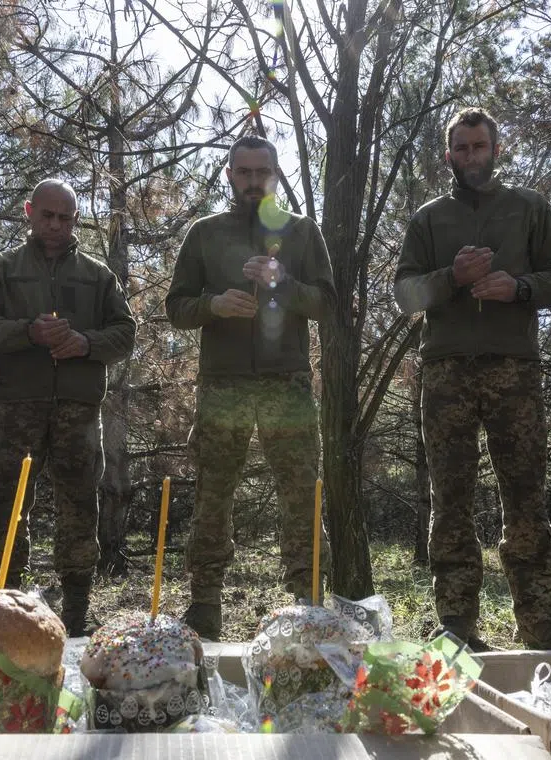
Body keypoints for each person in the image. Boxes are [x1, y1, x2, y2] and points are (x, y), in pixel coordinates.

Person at [394, 107, 551, 651]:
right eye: (461, 148)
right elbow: (404, 293)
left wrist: (518, 288)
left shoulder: (529, 207)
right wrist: (452, 277)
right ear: (448, 155)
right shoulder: (429, 218)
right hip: (446, 371)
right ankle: (457, 624)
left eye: (479, 146)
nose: (471, 156)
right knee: (450, 498)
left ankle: (541, 623)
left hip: (513, 368)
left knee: (525, 495)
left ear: (496, 150)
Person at [165, 134, 336, 641]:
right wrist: (213, 305)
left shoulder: (302, 231)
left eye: (263, 172)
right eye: (244, 172)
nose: (254, 181)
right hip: (224, 384)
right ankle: (204, 604)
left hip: (288, 384)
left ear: (276, 175)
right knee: (213, 493)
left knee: (302, 493)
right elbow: (177, 307)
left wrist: (283, 282)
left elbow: (327, 304)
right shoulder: (204, 233)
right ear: (230, 175)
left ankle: (308, 603)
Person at [0, 179, 135, 635]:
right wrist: (27, 332)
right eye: (48, 216)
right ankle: (2, 607)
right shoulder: (1, 268)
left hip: (78, 409)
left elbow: (125, 333)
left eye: (65, 218)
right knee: (8, 503)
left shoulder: (98, 275)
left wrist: (85, 343)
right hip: (17, 405)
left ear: (75, 219)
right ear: (29, 212)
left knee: (79, 506)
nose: (56, 225)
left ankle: (76, 611)